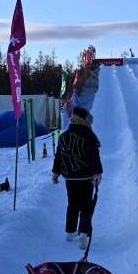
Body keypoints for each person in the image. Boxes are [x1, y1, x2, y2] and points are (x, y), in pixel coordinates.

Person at [52, 106, 103, 249]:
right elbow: (94, 157)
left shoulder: (63, 136)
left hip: (70, 178)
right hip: (86, 177)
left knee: (72, 204)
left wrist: (55, 173)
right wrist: (97, 173)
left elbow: (58, 158)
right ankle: (84, 233)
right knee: (86, 205)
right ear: (84, 120)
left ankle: (70, 231)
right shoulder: (88, 135)